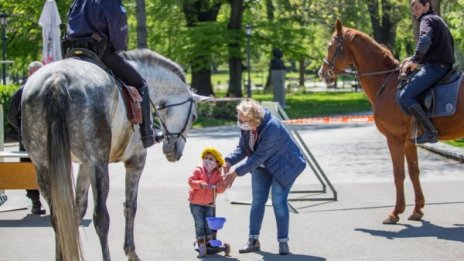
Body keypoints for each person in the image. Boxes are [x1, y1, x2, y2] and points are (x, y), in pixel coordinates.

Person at [64, 0, 157, 148]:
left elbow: (67, 26)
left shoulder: (78, 2)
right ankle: (147, 134)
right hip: (99, 53)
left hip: (72, 52)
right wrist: (120, 48)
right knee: (141, 84)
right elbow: (118, 34)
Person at [221, 99, 306, 255]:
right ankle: (253, 241)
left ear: (254, 119)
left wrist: (235, 172)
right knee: (257, 200)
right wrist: (228, 161)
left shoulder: (271, 126)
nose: (240, 123)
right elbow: (242, 148)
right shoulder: (246, 126)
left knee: (278, 200)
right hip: (262, 165)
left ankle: (283, 242)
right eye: (239, 119)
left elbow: (259, 156)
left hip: (284, 165)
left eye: (243, 121)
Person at [399, 0, 455, 144]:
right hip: (444, 66)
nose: (414, 11)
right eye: (413, 9)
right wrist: (413, 58)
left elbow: (425, 40)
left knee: (405, 95)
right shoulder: (438, 20)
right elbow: (436, 48)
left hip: (436, 68)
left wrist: (416, 60)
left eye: (417, 7)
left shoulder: (427, 19)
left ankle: (430, 132)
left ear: (427, 6)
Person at [7, 61, 46, 215]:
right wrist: (22, 131)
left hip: (47, 141)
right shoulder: (21, 93)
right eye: (34, 73)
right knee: (28, 171)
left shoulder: (49, 92)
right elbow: (11, 117)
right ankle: (35, 202)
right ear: (29, 74)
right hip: (27, 142)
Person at [188, 147, 227, 257]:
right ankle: (200, 241)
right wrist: (200, 184)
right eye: (206, 158)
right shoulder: (198, 170)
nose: (207, 161)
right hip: (196, 203)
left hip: (209, 204)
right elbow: (191, 181)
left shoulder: (217, 174)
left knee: (209, 224)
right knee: (199, 223)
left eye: (211, 159)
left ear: (217, 162)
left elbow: (220, 189)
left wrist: (221, 186)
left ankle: (209, 241)